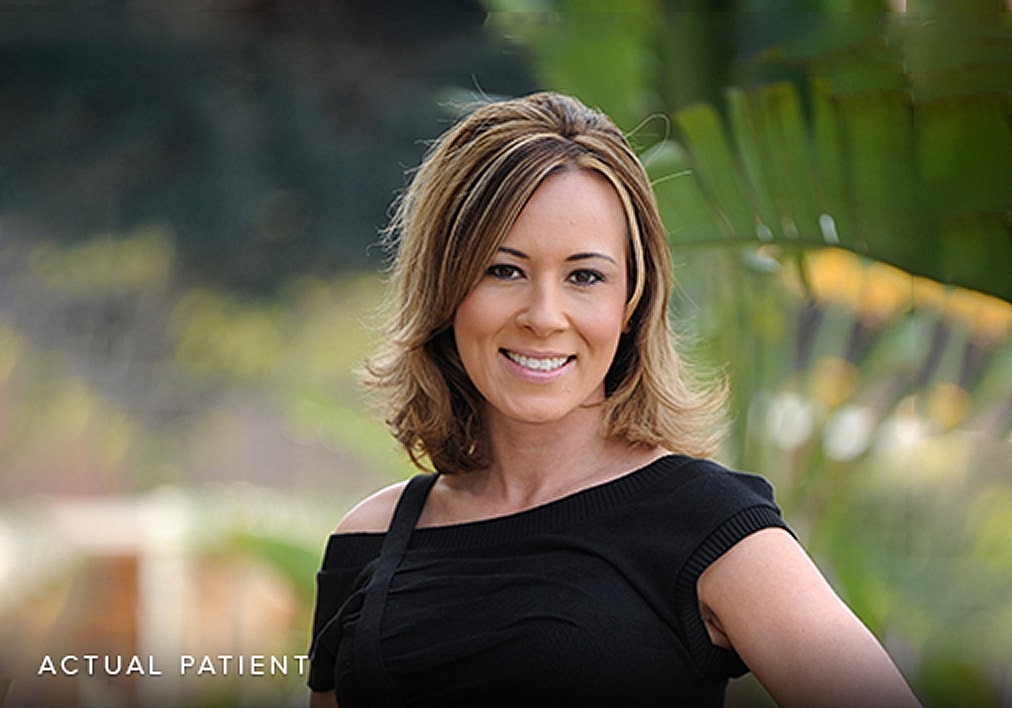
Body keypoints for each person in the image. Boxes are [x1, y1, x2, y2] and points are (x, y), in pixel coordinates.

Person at [306, 91, 921, 707]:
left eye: (585, 277)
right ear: (445, 288)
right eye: (503, 270)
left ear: (631, 302)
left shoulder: (706, 522)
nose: (545, 317)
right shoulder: (371, 538)